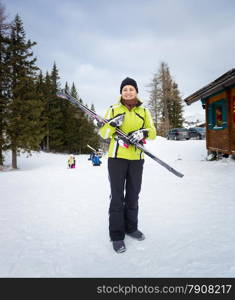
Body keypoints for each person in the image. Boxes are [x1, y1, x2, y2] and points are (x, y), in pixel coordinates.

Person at [99, 77, 156, 253]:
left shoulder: (144, 110)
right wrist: (112, 124)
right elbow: (103, 133)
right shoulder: (113, 109)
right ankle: (117, 235)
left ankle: (131, 228)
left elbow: (153, 132)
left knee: (133, 195)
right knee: (117, 196)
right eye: (125, 89)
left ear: (136, 91)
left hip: (137, 159)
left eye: (131, 89)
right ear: (121, 92)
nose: (128, 92)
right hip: (117, 158)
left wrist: (142, 132)